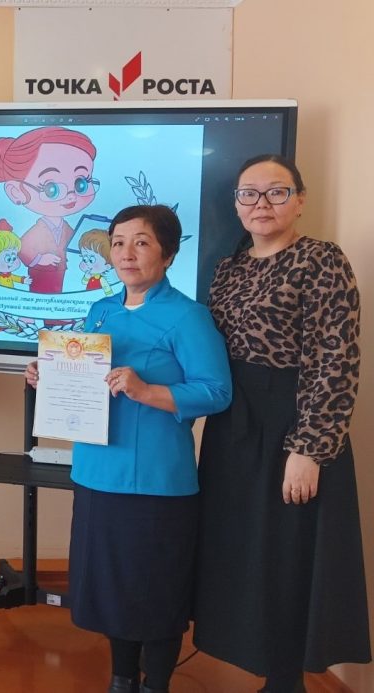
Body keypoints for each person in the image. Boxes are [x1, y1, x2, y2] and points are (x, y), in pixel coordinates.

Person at [25, 205, 231, 693]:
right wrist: (47, 375)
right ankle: (121, 679)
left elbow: (217, 391)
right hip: (96, 470)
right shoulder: (102, 310)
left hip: (156, 479)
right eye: (118, 243)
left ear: (168, 253)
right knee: (113, 590)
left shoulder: (189, 317)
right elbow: (85, 375)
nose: (126, 253)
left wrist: (147, 391)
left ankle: (156, 683)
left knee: (155, 593)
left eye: (141, 242)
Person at [193, 155, 371, 693]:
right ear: (236, 204)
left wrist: (310, 449)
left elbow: (335, 360)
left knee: (287, 554)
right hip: (233, 429)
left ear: (299, 200)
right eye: (249, 193)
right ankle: (261, 662)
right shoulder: (229, 267)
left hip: (293, 429)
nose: (262, 203)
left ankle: (286, 680)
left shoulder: (321, 260)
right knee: (242, 551)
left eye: (277, 191)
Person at [0, 126, 99, 293]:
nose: (71, 196)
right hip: (40, 273)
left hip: (62, 272)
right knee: (41, 294)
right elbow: (22, 249)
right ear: (17, 192)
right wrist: (39, 259)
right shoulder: (37, 231)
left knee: (58, 293)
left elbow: (75, 242)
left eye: (81, 183)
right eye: (51, 188)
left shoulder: (66, 227)